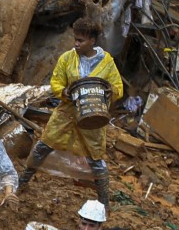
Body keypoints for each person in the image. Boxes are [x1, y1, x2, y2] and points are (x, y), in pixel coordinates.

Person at [20, 18, 123, 206]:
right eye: (75, 39)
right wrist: (63, 91)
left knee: (95, 156)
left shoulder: (107, 62)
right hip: (66, 113)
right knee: (44, 144)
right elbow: (56, 81)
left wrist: (111, 90)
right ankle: (23, 181)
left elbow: (117, 86)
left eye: (81, 40)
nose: (76, 44)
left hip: (93, 116)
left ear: (92, 41)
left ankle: (104, 200)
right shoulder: (67, 58)